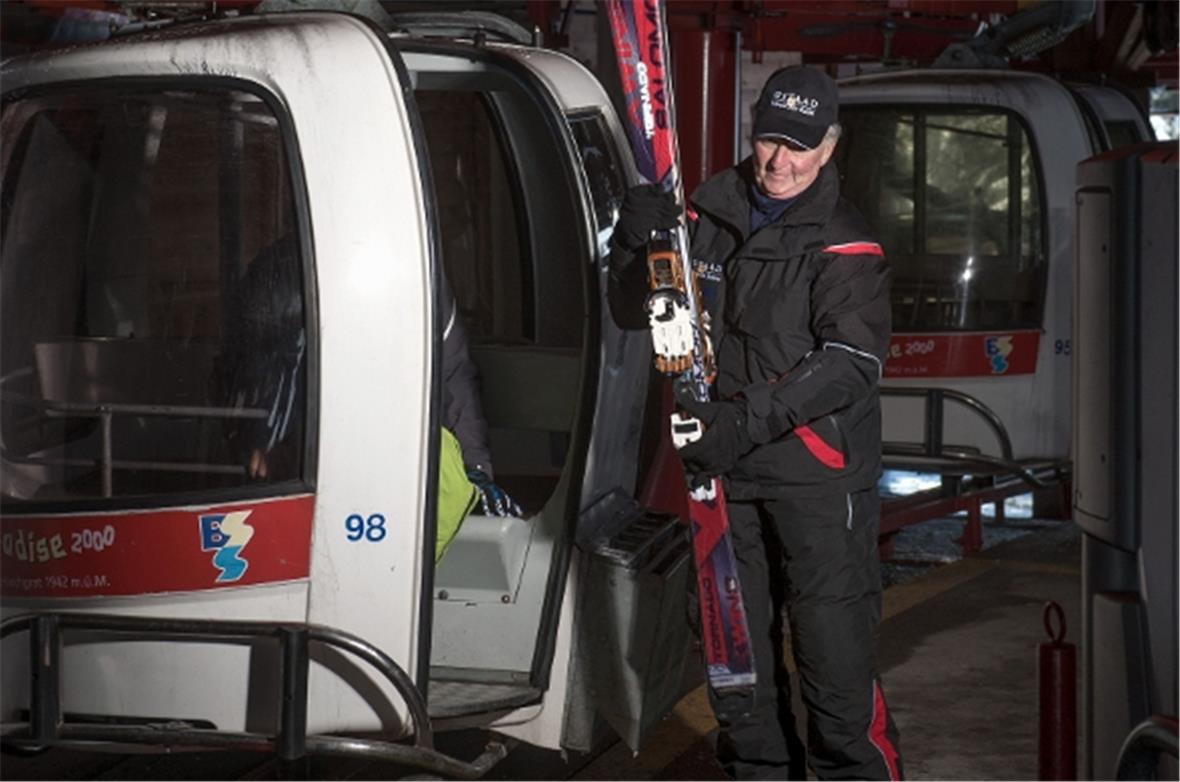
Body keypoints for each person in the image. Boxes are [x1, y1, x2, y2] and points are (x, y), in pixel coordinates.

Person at [610, 66, 902, 781]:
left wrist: (737, 424)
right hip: (722, 486)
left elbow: (850, 361)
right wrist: (631, 245)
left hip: (815, 482)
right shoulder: (705, 216)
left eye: (799, 146)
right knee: (740, 686)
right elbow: (635, 313)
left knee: (835, 684)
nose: (780, 161)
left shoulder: (845, 243)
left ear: (829, 148)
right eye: (770, 140)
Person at [220, 234, 519, 519]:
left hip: (386, 472)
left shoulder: (415, 269)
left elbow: (453, 374)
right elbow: (245, 368)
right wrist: (256, 440)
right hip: (285, 475)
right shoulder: (277, 270)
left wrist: (475, 470)